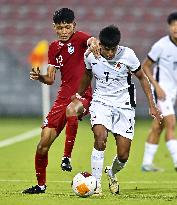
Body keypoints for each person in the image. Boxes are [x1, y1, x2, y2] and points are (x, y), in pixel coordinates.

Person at [72, 25, 162, 195]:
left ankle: (111, 172)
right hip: (101, 102)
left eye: (113, 49)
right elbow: (87, 74)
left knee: (123, 155)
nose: (111, 53)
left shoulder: (128, 55)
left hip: (124, 105)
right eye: (107, 49)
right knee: (100, 137)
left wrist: (152, 105)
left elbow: (142, 78)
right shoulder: (91, 55)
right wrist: (78, 94)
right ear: (100, 45)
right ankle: (96, 185)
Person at [22, 8, 99, 194]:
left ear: (74, 26)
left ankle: (67, 157)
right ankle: (41, 186)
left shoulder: (80, 38)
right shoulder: (54, 47)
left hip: (82, 95)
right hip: (62, 99)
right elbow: (50, 79)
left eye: (67, 27)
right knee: (42, 145)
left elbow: (91, 40)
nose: (64, 31)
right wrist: (39, 76)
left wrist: (95, 43)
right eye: (60, 27)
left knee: (72, 109)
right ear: (54, 27)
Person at [141, 12, 177, 172]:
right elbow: (145, 65)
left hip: (173, 92)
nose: (176, 27)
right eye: (173, 24)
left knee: (159, 126)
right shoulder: (161, 45)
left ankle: (146, 163)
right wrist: (156, 86)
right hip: (162, 91)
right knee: (171, 123)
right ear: (169, 26)